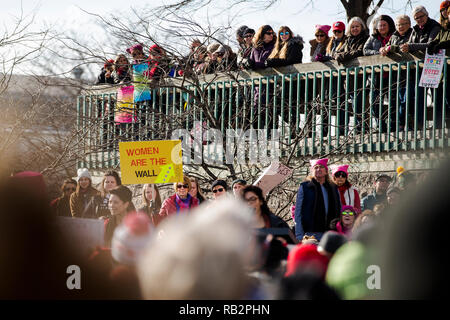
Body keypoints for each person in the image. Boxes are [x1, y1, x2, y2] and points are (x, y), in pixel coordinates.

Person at [334, 17, 369, 132]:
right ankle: (342, 130)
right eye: (352, 27)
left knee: (358, 104)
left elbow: (360, 51)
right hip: (347, 78)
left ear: (361, 27)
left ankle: (361, 129)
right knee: (345, 104)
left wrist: (343, 56)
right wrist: (339, 55)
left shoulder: (365, 38)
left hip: (360, 76)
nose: (354, 29)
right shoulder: (348, 40)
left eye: (357, 26)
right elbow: (337, 52)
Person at [294, 158, 341, 241]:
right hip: (310, 233)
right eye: (316, 167)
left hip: (330, 232)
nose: (318, 169)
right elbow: (298, 212)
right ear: (312, 171)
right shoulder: (305, 187)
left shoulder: (333, 188)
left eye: (321, 167)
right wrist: (299, 234)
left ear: (326, 171)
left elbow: (339, 209)